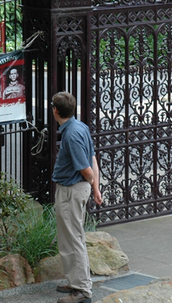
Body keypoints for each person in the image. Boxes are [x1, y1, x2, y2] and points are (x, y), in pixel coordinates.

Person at [51, 92, 102, 303]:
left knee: (72, 240)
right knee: (73, 238)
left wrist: (92, 182)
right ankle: (76, 282)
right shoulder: (80, 127)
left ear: (55, 110)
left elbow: (86, 168)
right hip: (76, 189)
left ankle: (82, 290)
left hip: (71, 190)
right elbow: (93, 158)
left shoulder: (71, 134)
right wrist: (96, 189)